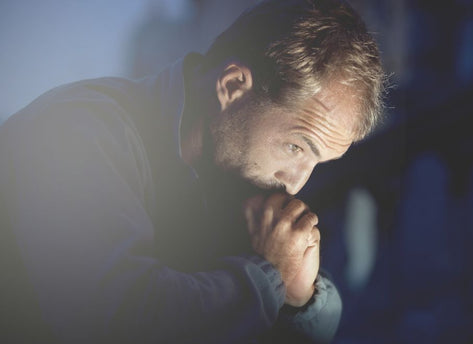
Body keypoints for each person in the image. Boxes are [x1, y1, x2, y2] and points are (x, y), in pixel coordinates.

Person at [0, 0, 385, 343]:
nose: (297, 181)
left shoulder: (229, 171)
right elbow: (116, 320)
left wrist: (299, 299)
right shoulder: (75, 133)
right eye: (296, 147)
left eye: (317, 162)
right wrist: (269, 276)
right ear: (232, 86)